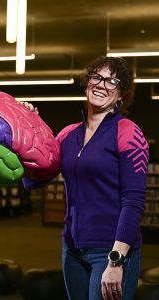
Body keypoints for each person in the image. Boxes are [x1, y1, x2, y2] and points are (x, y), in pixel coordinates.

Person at [23, 56, 148, 300]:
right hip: (73, 251)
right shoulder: (68, 135)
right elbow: (32, 181)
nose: (101, 85)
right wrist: (30, 131)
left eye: (112, 81)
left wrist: (116, 260)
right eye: (96, 77)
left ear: (121, 94)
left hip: (111, 251)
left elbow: (133, 200)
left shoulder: (128, 133)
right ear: (87, 82)